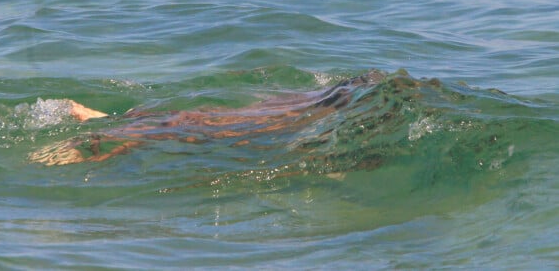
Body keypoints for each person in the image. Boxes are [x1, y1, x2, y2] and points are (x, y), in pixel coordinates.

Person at [29, 71, 386, 165]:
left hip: (343, 94)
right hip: (344, 99)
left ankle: (106, 124)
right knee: (218, 126)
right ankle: (98, 139)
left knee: (221, 120)